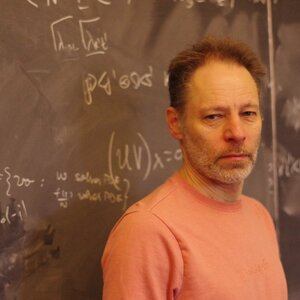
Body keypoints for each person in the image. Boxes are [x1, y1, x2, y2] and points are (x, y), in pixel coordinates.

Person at [101, 36, 288, 299]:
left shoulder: (260, 217)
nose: (236, 132)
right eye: (214, 116)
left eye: (248, 113)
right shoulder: (148, 232)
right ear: (176, 123)